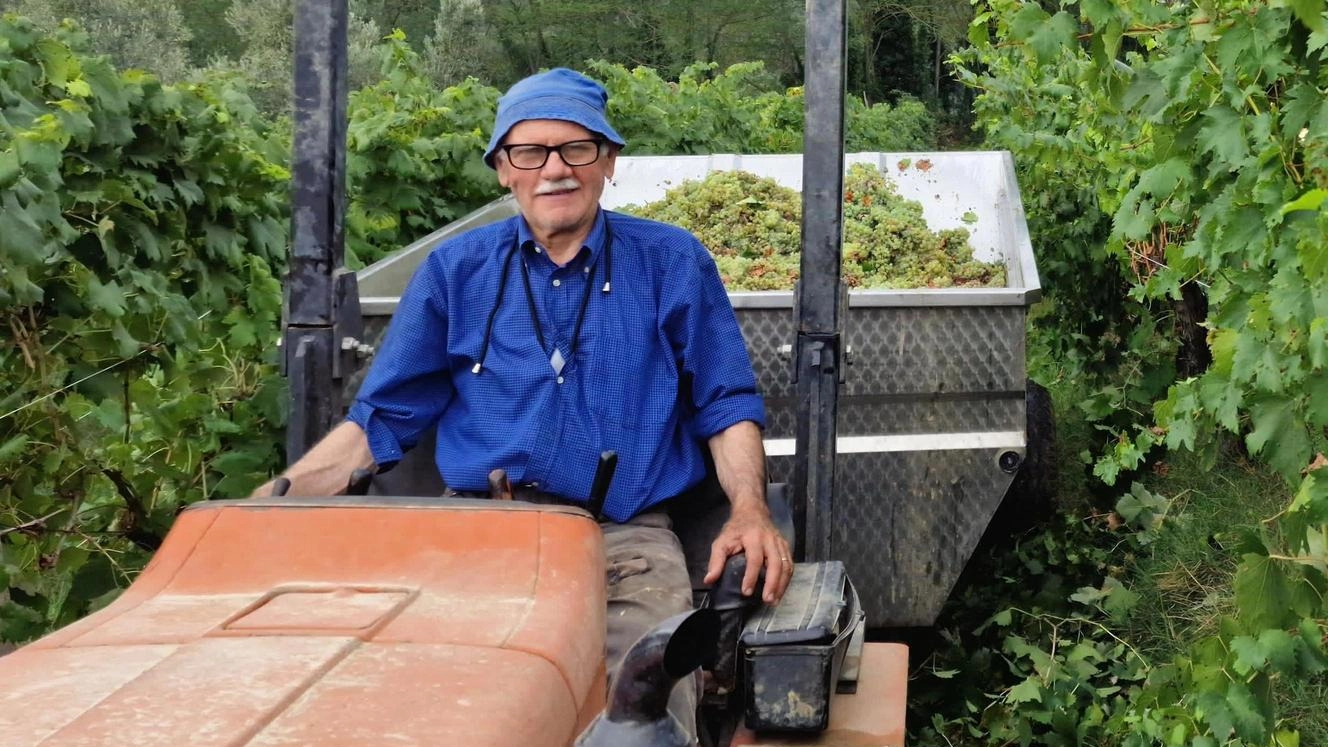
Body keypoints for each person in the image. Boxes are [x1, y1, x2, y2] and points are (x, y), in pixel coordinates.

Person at [255, 67, 791, 740]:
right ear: (503, 169)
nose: (554, 170)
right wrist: (276, 497)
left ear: (609, 161)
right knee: (422, 697)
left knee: (645, 686)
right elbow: (378, 422)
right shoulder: (456, 272)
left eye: (577, 148)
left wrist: (749, 508)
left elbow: (726, 402)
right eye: (530, 151)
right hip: (476, 537)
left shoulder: (672, 262)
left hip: (620, 538)